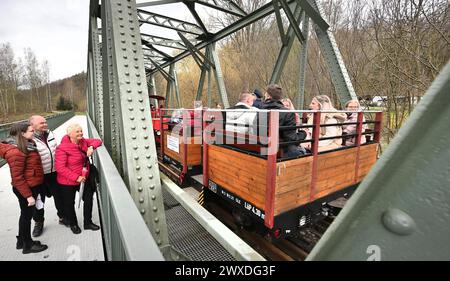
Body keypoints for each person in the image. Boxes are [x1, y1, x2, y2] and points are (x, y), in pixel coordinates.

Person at [0, 123, 48, 254]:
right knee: (26, 217)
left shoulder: (27, 144)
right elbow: (17, 178)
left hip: (30, 185)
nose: (34, 133)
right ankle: (28, 245)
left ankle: (21, 241)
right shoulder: (16, 151)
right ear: (22, 133)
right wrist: (28, 196)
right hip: (26, 189)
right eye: (31, 131)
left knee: (25, 215)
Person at [55, 124, 102, 234]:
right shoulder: (62, 148)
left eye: (81, 131)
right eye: (77, 132)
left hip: (84, 178)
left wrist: (91, 147)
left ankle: (88, 223)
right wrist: (76, 177)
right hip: (67, 181)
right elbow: (60, 168)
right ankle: (73, 224)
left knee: (89, 198)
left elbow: (98, 141)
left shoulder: (83, 142)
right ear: (70, 134)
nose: (80, 133)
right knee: (69, 203)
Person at [28, 115, 63, 237]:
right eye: (41, 123)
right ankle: (39, 222)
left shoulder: (50, 133)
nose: (45, 124)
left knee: (60, 196)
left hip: (54, 172)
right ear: (32, 125)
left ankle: (63, 217)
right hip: (39, 176)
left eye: (45, 122)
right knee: (38, 200)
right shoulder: (28, 138)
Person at [262, 84, 307, 157]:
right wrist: (304, 133)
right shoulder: (287, 113)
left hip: (261, 148)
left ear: (268, 96)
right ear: (280, 97)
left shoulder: (259, 110)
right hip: (279, 151)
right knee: (303, 152)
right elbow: (291, 139)